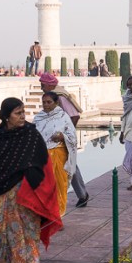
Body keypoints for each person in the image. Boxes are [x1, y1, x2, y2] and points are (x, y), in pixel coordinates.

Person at [0, 98, 62, 263]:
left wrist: (27, 179)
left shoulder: (30, 135)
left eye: (24, 112)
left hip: (24, 196)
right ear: (6, 116)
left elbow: (41, 163)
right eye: (18, 113)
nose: (23, 116)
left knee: (24, 238)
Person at [38, 72, 89, 207]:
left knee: (70, 166)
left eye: (43, 85)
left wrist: (65, 135)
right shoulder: (53, 96)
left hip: (61, 141)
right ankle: (81, 195)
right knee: (68, 166)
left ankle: (80, 195)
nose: (41, 88)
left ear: (49, 85)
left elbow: (74, 116)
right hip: (51, 144)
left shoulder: (60, 96)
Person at [32, 91, 77, 215]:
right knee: (45, 187)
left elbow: (72, 136)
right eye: (44, 102)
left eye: (49, 102)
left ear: (56, 103)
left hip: (59, 154)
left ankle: (58, 215)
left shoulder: (63, 116)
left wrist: (63, 136)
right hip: (42, 157)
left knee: (58, 185)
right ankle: (47, 214)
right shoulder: (38, 118)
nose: (46, 105)